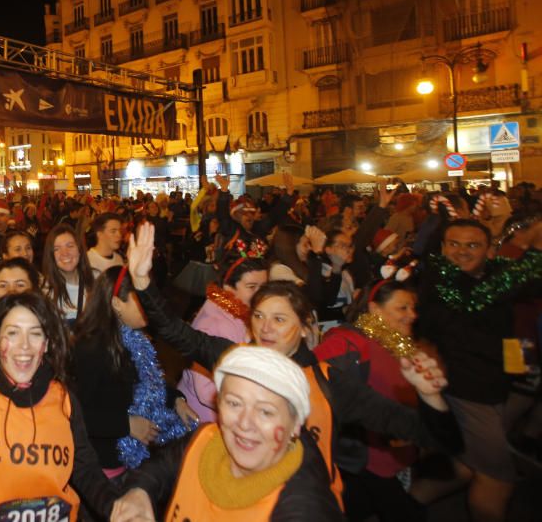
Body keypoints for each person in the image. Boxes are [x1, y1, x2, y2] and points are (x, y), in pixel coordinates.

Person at [127, 221, 461, 508]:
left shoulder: (330, 383)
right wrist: (143, 283)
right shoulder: (239, 360)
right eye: (258, 316)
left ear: (304, 327)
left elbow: (437, 437)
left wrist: (431, 399)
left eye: (279, 319)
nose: (265, 327)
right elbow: (177, 332)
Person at [0, 198, 126, 521]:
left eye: (35, 334)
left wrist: (115, 506)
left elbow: (84, 470)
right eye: (12, 333)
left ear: (47, 343)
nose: (23, 347)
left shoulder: (63, 399)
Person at [111, 346, 342, 522]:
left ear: (295, 426)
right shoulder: (205, 440)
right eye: (234, 403)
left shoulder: (304, 509)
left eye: (265, 411)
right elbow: (159, 466)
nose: (244, 423)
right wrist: (139, 491)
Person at [416, 218, 542, 522]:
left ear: (489, 250)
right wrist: (534, 251)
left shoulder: (495, 273)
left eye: (472, 245)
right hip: (462, 390)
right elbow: (477, 296)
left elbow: (527, 281)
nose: (461, 252)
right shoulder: (438, 277)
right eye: (454, 244)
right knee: (498, 478)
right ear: (443, 247)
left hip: (494, 386)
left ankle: (402, 504)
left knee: (462, 468)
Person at [314, 280, 427, 521]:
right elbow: (309, 374)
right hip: (372, 460)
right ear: (375, 310)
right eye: (403, 308)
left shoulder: (400, 344)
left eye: (413, 308)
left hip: (396, 454)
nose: (412, 315)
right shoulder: (347, 344)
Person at [72, 264, 195, 483]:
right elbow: (78, 414)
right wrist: (127, 424)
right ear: (117, 303)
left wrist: (177, 401)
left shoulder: (135, 339)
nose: (149, 306)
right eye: (140, 300)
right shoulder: (91, 348)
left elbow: (148, 384)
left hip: (135, 460)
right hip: (103, 468)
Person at [176, 256, 268, 422]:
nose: (260, 294)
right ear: (228, 288)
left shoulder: (243, 313)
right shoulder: (214, 324)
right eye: (251, 287)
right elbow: (206, 391)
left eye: (264, 287)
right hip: (204, 419)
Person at [42, 223, 94, 324]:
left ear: (79, 250)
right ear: (51, 255)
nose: (65, 253)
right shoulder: (45, 290)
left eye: (70, 246)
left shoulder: (96, 280)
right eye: (57, 249)